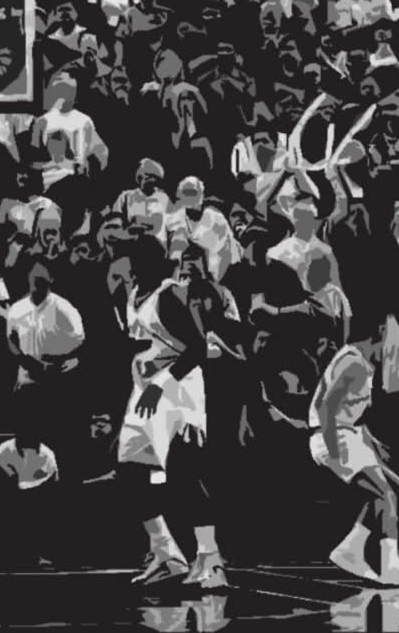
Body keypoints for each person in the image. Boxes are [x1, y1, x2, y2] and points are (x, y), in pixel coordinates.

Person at [115, 243, 234, 589]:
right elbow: (144, 342)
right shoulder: (135, 293)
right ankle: (167, 554)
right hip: (146, 390)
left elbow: (197, 349)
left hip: (177, 389)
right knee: (130, 471)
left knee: (185, 472)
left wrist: (159, 384)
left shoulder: (169, 295)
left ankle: (211, 560)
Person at [308, 323, 399, 586]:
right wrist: (336, 454)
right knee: (385, 495)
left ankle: (349, 550)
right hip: (335, 437)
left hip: (349, 435)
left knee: (381, 495)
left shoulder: (361, 362)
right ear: (380, 334)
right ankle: (391, 568)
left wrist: (376, 449)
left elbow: (352, 416)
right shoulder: (353, 362)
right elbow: (327, 408)